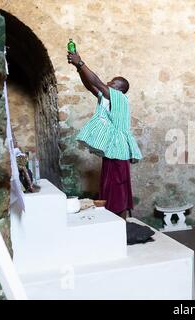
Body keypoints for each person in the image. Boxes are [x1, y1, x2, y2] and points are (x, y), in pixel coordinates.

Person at [67, 51, 142, 219]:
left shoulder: (120, 98)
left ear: (120, 89)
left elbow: (97, 83)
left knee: (117, 189)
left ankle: (120, 226)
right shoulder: (108, 98)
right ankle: (113, 224)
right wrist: (79, 69)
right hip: (112, 150)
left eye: (112, 83)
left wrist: (80, 63)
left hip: (118, 152)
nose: (108, 84)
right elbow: (90, 85)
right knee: (109, 188)